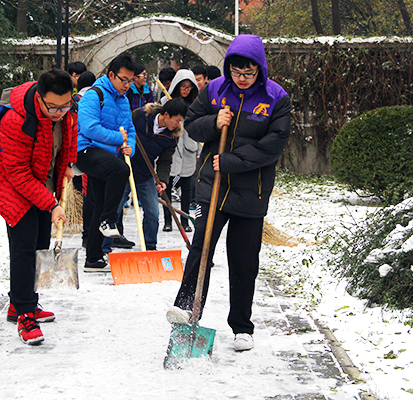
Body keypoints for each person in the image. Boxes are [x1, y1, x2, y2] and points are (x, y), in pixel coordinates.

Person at [165, 35, 292, 352]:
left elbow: (274, 144)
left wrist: (232, 161)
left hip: (252, 190)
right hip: (213, 187)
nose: (242, 78)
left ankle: (242, 326)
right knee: (201, 249)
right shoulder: (214, 90)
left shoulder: (276, 97)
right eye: (236, 72)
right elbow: (192, 124)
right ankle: (187, 308)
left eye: (249, 73)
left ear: (259, 68)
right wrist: (214, 121)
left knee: (244, 260)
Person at [0, 69, 77, 345]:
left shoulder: (67, 112)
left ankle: (22, 303)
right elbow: (17, 173)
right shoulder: (18, 120)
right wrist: (52, 205)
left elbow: (68, 138)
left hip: (40, 180)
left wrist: (68, 165)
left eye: (65, 106)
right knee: (24, 245)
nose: (59, 113)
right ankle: (24, 313)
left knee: (39, 243)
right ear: (39, 97)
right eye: (53, 107)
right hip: (9, 183)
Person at [76, 54, 136, 272]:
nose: (127, 85)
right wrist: (119, 139)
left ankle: (93, 257)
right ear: (111, 75)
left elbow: (130, 130)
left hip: (106, 156)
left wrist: (130, 147)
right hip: (86, 150)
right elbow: (89, 128)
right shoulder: (94, 95)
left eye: (131, 81)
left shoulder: (123, 100)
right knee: (120, 170)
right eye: (123, 80)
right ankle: (109, 219)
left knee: (98, 203)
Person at [113, 98, 187, 250]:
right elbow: (121, 131)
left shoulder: (171, 135)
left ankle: (150, 246)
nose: (178, 124)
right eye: (177, 120)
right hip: (123, 169)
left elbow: (165, 161)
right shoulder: (140, 116)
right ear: (166, 114)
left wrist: (162, 180)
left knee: (153, 212)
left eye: (180, 121)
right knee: (114, 209)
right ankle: (105, 246)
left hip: (145, 174)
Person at [161, 69, 200, 233]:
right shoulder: (165, 100)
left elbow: (199, 127)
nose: (186, 90)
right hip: (170, 148)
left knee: (187, 187)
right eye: (183, 86)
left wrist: (198, 150)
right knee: (166, 186)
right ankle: (168, 220)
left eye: (189, 87)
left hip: (189, 148)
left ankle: (185, 220)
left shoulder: (197, 104)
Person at [71, 70, 96, 248]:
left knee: (87, 193)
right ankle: (90, 235)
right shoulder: (96, 100)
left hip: (77, 149)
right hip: (93, 150)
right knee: (92, 194)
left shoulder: (74, 101)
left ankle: (87, 236)